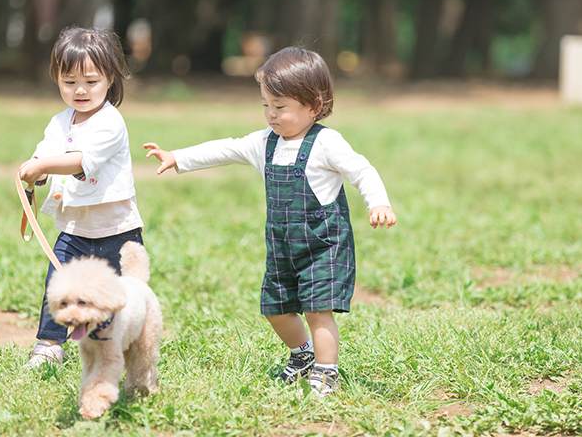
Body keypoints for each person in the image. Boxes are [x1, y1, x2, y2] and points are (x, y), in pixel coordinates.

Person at [143, 47, 396, 396]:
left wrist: (378, 202)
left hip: (323, 246)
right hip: (282, 246)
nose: (270, 115)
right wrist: (177, 157)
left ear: (314, 106)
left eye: (280, 107)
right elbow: (225, 148)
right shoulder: (265, 142)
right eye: (265, 105)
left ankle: (326, 372)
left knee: (317, 311)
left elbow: (362, 171)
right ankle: (303, 355)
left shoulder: (326, 143)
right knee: (275, 309)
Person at [19, 26, 144, 368]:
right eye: (69, 81)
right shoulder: (59, 122)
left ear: (110, 79)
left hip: (116, 228)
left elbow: (81, 161)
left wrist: (44, 164)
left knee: (121, 296)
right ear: (56, 80)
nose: (80, 90)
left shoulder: (110, 122)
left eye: (91, 81)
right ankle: (48, 345)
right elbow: (45, 154)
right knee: (57, 286)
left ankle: (124, 345)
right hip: (74, 228)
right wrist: (36, 170)